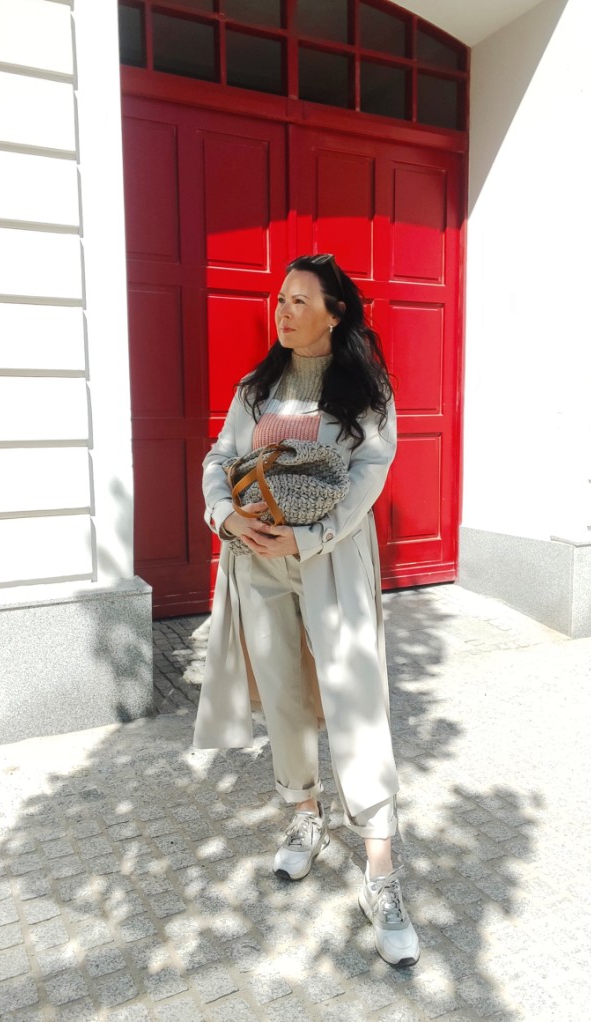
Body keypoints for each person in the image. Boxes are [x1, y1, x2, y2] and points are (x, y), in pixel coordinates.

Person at [193, 253, 419, 967]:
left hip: (332, 559)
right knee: (284, 693)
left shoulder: (367, 392)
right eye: (280, 299)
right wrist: (226, 516)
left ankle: (380, 870)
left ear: (335, 312)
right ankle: (304, 815)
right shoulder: (257, 388)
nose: (283, 311)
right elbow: (218, 458)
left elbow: (368, 477)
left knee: (355, 696)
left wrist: (311, 534)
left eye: (299, 300)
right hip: (256, 560)